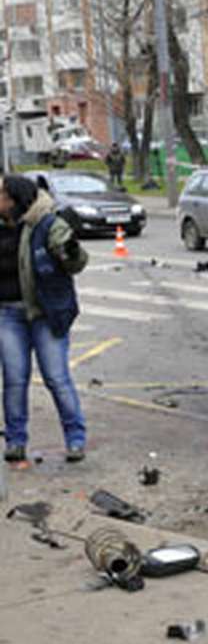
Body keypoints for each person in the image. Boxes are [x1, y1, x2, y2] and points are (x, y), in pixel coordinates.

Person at [0, 175, 88, 464]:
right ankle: (15, 441)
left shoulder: (46, 224)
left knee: (56, 377)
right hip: (8, 314)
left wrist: (71, 248)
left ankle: (75, 439)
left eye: (1, 194)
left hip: (45, 313)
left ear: (15, 200)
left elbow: (75, 262)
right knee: (14, 379)